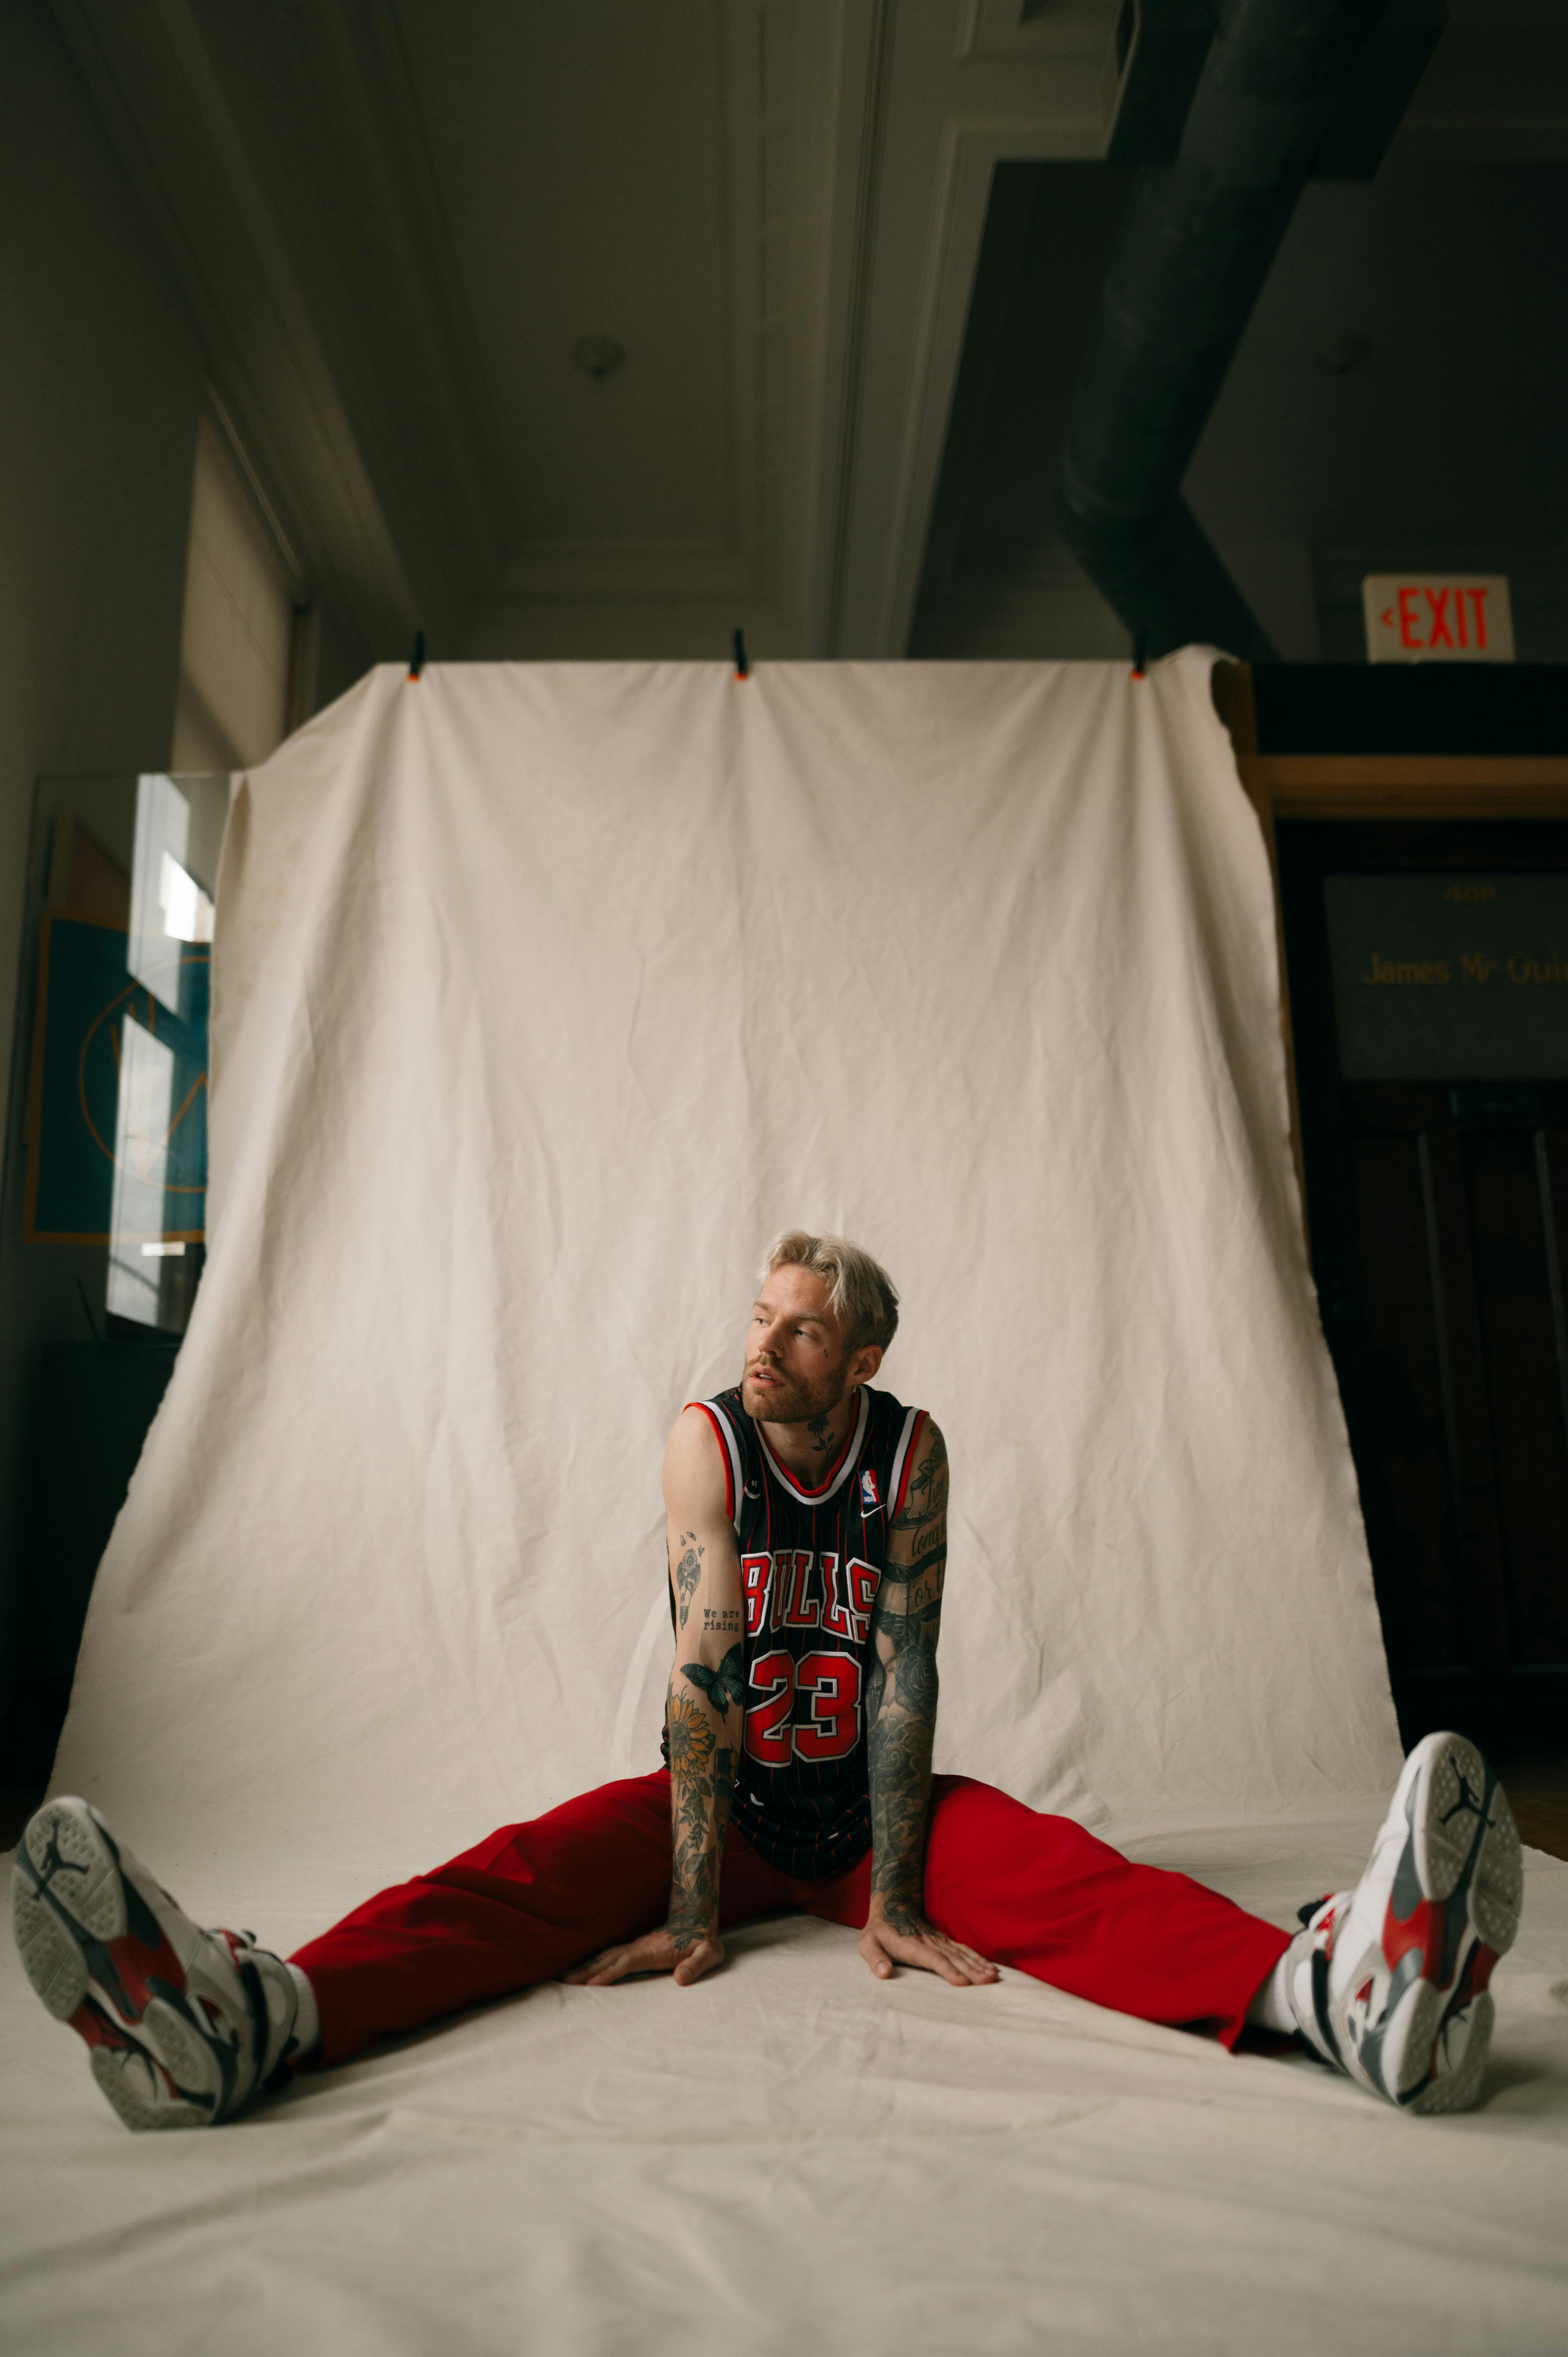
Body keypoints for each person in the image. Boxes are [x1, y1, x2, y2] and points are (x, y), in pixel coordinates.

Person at [14, 1232, 1524, 2131]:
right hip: (726, 1801)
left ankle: (1343, 1997)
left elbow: (909, 1667)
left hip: (872, 1813)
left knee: (1074, 1883)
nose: (764, 1341)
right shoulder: (704, 1442)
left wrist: (900, 1892)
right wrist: (685, 1907)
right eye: (758, 1313)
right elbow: (702, 1673)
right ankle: (249, 2020)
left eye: (800, 1326)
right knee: (513, 1881)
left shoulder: (911, 1451)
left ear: (860, 1350)